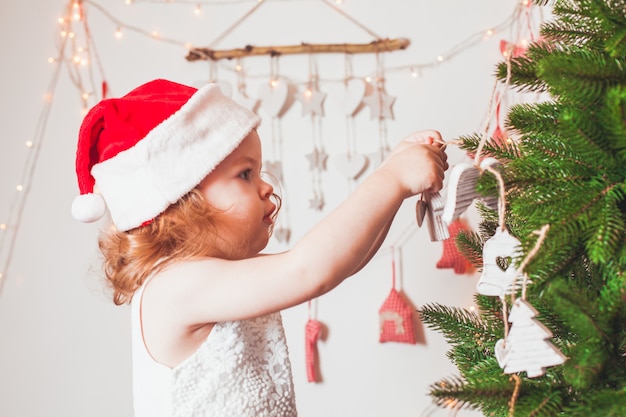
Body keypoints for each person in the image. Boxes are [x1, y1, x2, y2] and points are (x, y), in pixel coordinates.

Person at [71, 79, 448, 417]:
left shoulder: (214, 280)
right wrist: (392, 179)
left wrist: (395, 175)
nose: (267, 185)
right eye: (245, 173)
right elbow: (311, 270)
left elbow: (343, 263)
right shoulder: (174, 287)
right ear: (181, 204)